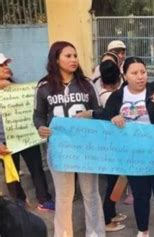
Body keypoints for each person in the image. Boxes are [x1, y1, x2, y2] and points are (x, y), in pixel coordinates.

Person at [33, 41, 105, 237]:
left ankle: (95, 233)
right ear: (56, 59)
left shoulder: (87, 84)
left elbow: (100, 111)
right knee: (64, 196)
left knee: (90, 193)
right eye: (68, 56)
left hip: (86, 148)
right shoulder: (44, 86)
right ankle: (63, 234)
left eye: (75, 56)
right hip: (60, 149)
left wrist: (89, 113)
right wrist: (40, 127)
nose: (73, 60)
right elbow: (39, 115)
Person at [104, 57, 154, 237]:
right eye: (134, 73)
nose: (140, 77)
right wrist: (112, 118)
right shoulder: (117, 97)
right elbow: (106, 115)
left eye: (143, 72)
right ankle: (143, 231)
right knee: (140, 197)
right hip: (134, 158)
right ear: (125, 75)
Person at [0, 53, 55, 211]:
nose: (6, 68)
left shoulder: (18, 87)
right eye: (2, 66)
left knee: (37, 168)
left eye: (6, 64)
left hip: (25, 137)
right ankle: (19, 203)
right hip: (5, 141)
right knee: (12, 174)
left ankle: (44, 199)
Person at [91, 60, 127, 232]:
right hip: (113, 146)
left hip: (108, 144)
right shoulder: (114, 96)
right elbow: (107, 117)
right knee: (114, 182)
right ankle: (106, 218)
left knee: (116, 181)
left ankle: (111, 212)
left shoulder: (97, 89)